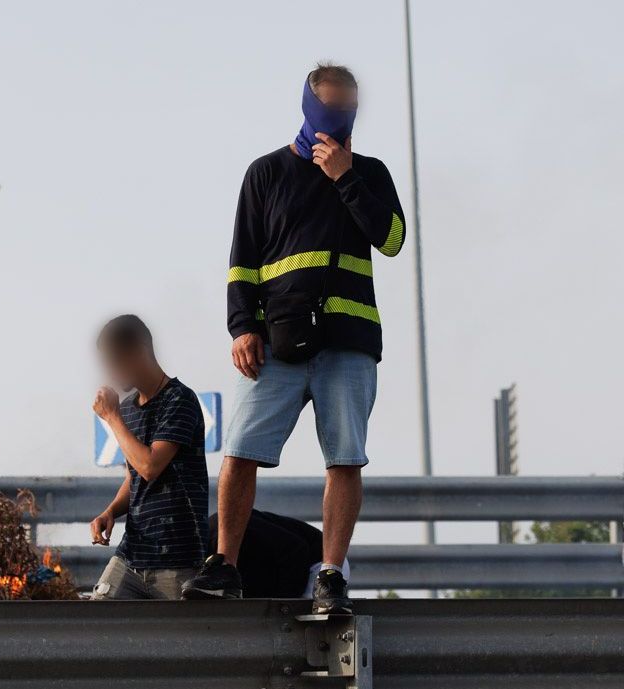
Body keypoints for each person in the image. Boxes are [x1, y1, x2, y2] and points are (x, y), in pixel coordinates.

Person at [182, 63, 404, 613]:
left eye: (348, 110)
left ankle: (330, 575)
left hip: (348, 345)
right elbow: (243, 262)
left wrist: (345, 178)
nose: (339, 120)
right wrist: (242, 328)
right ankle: (224, 568)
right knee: (239, 452)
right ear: (308, 107)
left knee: (345, 459)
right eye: (330, 109)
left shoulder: (371, 173)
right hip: (276, 346)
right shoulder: (266, 172)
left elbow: (393, 239)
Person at [88, 315, 209, 600]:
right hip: (132, 554)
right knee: (94, 627)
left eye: (116, 362)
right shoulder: (128, 408)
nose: (112, 374)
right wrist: (110, 511)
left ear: (139, 353)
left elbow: (150, 465)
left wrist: (112, 417)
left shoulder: (180, 400)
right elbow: (135, 475)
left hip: (177, 557)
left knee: (176, 643)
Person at [206, 510, 350, 599]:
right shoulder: (211, 545)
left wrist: (282, 605)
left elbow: (297, 550)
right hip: (285, 567)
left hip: (320, 562)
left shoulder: (223, 531)